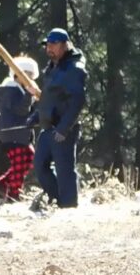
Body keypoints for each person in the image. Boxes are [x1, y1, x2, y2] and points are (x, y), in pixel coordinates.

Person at [28, 28, 86, 208]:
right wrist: (36, 117)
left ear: (65, 45)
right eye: (48, 45)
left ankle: (68, 206)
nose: (49, 49)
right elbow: (48, 99)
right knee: (40, 167)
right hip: (48, 128)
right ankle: (55, 199)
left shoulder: (75, 69)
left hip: (63, 130)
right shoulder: (52, 68)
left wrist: (64, 128)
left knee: (65, 170)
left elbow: (77, 101)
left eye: (53, 45)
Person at [0, 55, 39, 202]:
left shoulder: (21, 91)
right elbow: (20, 110)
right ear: (18, 75)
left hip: (20, 133)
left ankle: (2, 183)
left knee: (30, 159)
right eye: (27, 75)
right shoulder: (10, 90)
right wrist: (29, 95)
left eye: (32, 76)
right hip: (11, 133)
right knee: (19, 165)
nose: (30, 79)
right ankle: (13, 194)